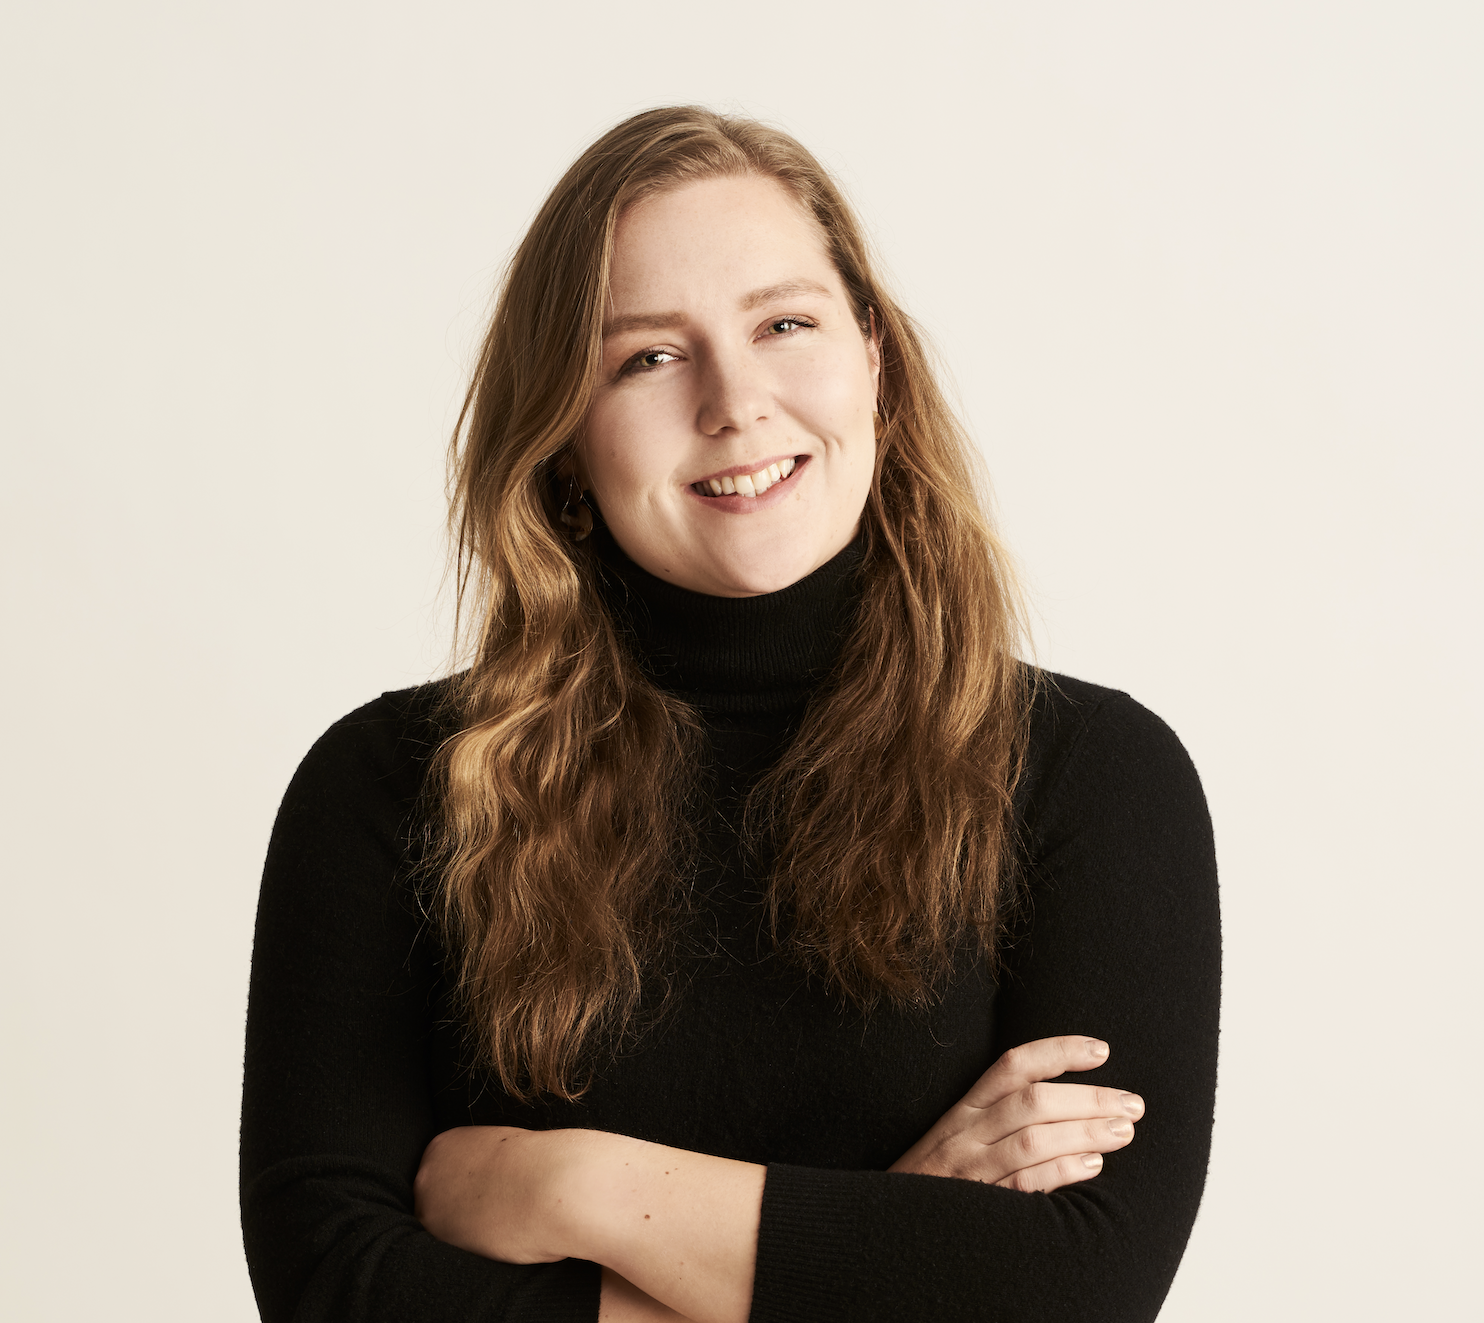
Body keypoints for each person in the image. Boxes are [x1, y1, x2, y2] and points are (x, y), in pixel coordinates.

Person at [239, 106, 1219, 1323]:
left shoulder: (1088, 775)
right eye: (647, 357)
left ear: (874, 359)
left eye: (783, 324)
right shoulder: (391, 787)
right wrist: (888, 1242)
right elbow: (331, 1288)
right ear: (563, 437)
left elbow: (1075, 1288)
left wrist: (576, 1185)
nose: (734, 402)